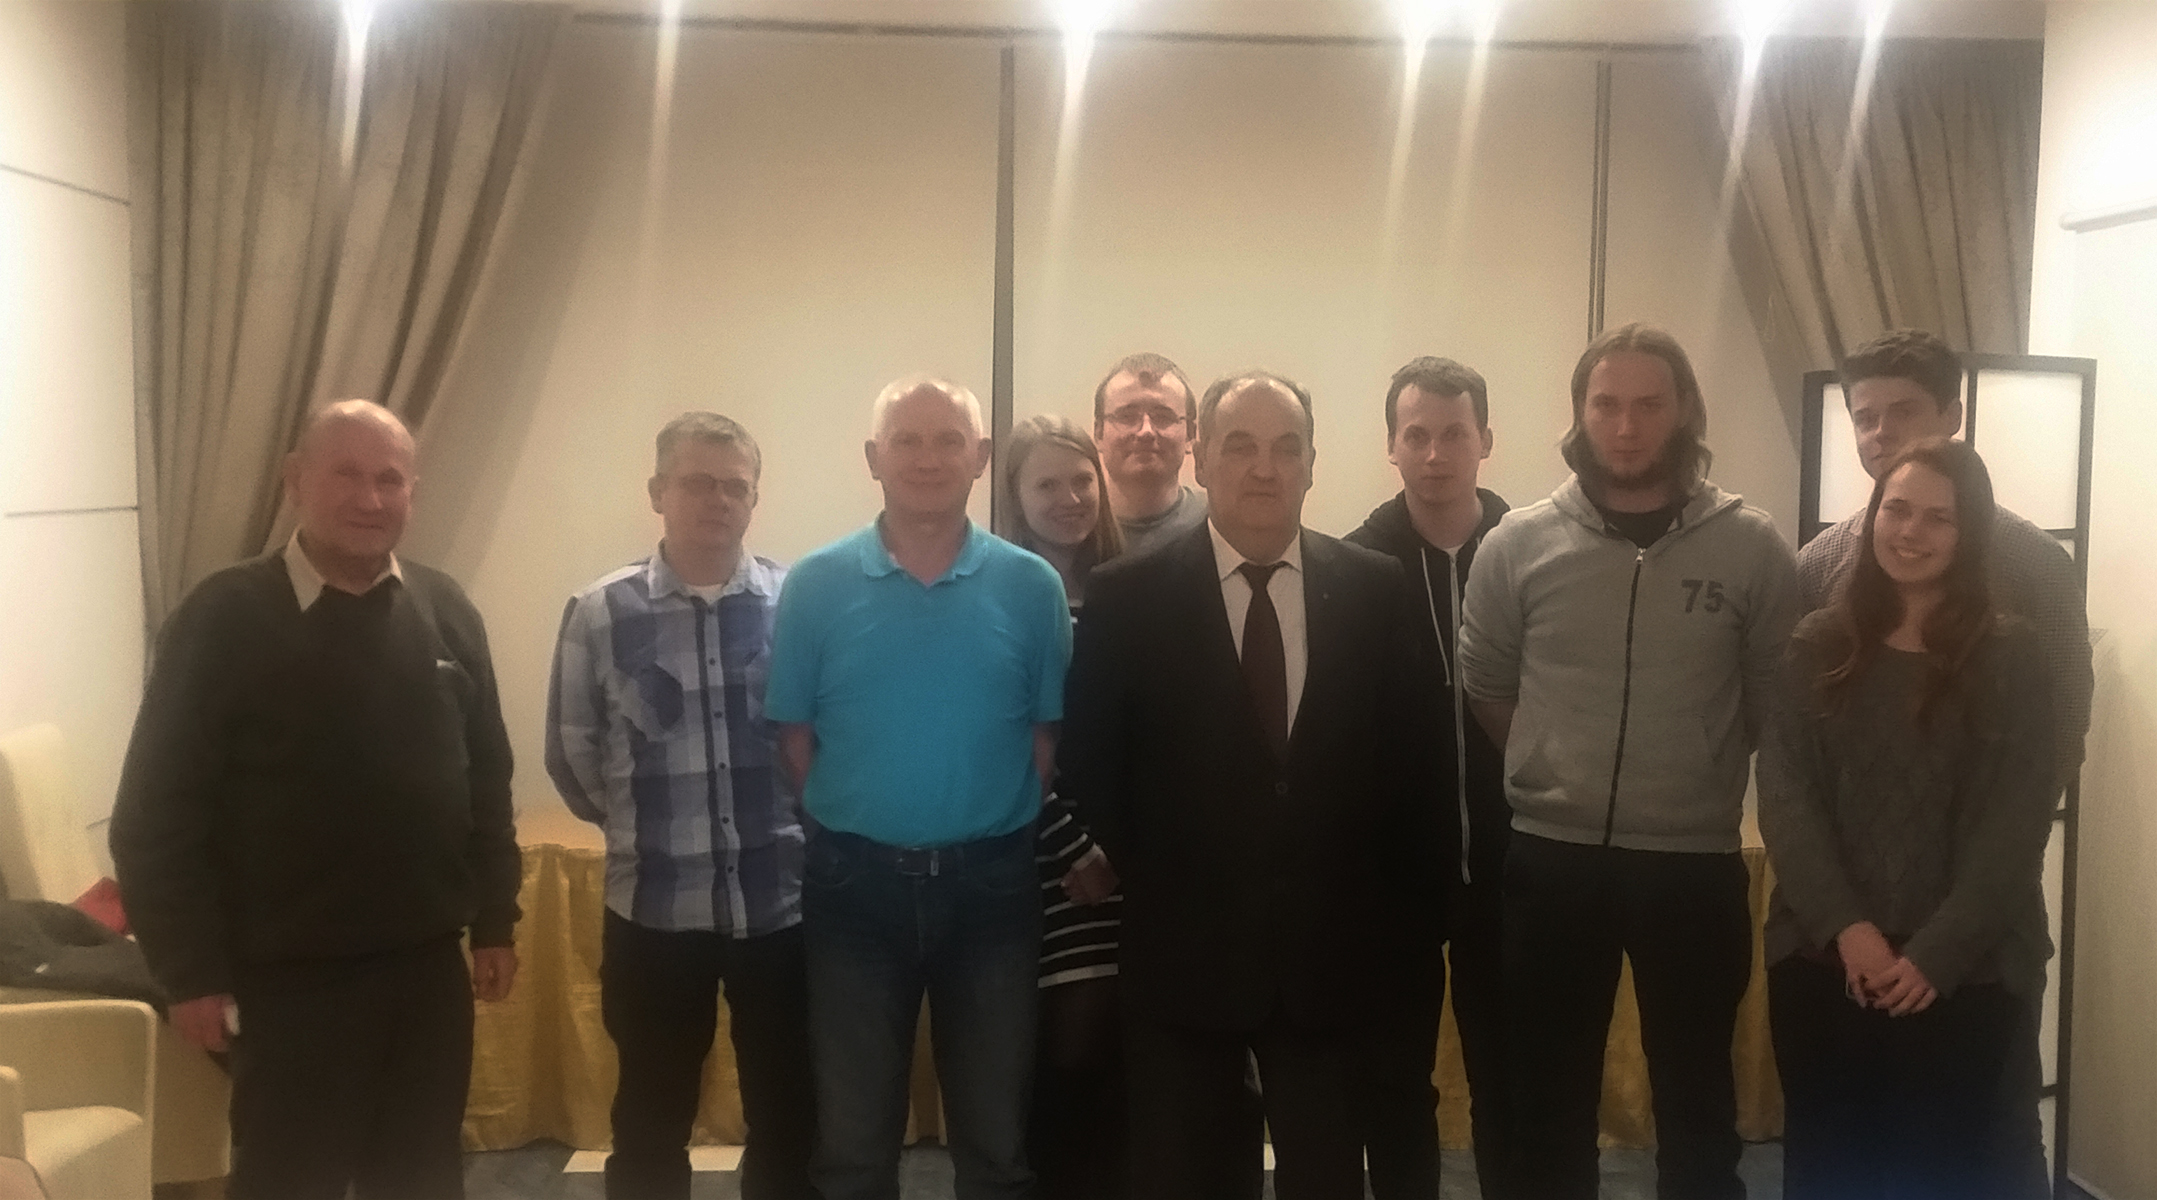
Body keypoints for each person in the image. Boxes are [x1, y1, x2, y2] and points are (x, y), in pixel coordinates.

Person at [111, 399, 521, 1200]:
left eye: (389, 480)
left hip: (425, 973)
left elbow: (486, 778)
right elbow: (155, 815)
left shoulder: (445, 609)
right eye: (347, 475)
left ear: (412, 493)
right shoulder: (221, 617)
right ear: (295, 480)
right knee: (288, 1183)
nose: (370, 498)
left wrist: (496, 920)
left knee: (422, 1180)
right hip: (287, 985)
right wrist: (188, 971)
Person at [1060, 370, 1443, 1200]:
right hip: (1181, 960)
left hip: (1329, 964)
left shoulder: (1373, 589)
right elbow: (1093, 761)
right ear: (1200, 460)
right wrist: (1161, 875)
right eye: (1240, 447)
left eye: (1285, 448)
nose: (1264, 468)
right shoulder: (1128, 597)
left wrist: (1392, 924)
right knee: (1183, 1180)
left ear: (1311, 464)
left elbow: (1411, 765)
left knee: (1327, 1180)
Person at [1459, 324, 1797, 1200]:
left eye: (1648, 404)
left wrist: (1689, 763)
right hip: (1551, 861)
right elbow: (1488, 686)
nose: (1624, 425)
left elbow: (1771, 697)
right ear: (1578, 413)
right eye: (1605, 404)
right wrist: (1553, 764)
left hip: (1692, 865)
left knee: (1697, 1103)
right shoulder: (1517, 545)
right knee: (1547, 1102)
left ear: (1684, 411)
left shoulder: (1751, 546)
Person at [1799, 328, 2092, 1198]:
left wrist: (1959, 913)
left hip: (1982, 921)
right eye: (1863, 416)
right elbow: (1796, 751)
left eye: (1902, 412)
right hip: (1849, 923)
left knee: (1992, 1137)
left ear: (1953, 417)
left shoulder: (2031, 564)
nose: (1879, 433)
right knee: (1848, 1141)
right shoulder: (1820, 563)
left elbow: (2058, 740)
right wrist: (1847, 914)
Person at [766, 377, 1071, 1200]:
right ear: (873, 459)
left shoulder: (1031, 588)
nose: (927, 458)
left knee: (997, 1142)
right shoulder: (815, 584)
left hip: (993, 890)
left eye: (948, 441)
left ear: (980, 457)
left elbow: (1044, 735)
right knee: (853, 1144)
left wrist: (976, 816)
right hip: (853, 892)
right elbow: (794, 736)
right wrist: (870, 816)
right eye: (907, 440)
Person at [1761, 438, 2055, 1199]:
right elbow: (1786, 796)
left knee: (1942, 1175)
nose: (1910, 531)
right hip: (1826, 963)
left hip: (1963, 973)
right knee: (1826, 1170)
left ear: (1970, 533)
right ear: (1872, 517)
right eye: (1896, 509)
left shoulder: (2012, 657)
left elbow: (2016, 822)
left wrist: (1935, 953)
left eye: (1938, 517)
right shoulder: (1815, 645)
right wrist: (1848, 929)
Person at [546, 413, 814, 1200]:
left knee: (791, 1115)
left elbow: (825, 740)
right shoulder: (599, 611)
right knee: (649, 1118)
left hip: (780, 905)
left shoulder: (795, 604)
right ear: (658, 491)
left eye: (735, 486)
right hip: (654, 911)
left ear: (754, 499)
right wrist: (647, 831)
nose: (717, 500)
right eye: (698, 482)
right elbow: (572, 753)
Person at [1345, 356, 1513, 1200]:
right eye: (1416, 434)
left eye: (1454, 433)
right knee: (1393, 1087)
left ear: (1486, 439)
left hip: (1514, 871)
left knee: (1511, 1082)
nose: (1436, 452)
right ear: (1391, 445)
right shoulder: (1349, 568)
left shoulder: (1534, 550)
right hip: (1389, 883)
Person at [994, 414, 1130, 1200]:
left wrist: (1120, 847)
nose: (1069, 497)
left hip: (1125, 858)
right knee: (1064, 1055)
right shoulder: (998, 596)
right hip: (1044, 860)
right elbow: (1001, 739)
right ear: (1012, 495)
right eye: (1046, 483)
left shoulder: (1129, 588)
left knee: (1122, 1057)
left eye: (1082, 479)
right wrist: (1075, 847)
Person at [1093, 352, 1209, 555]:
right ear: (1099, 433)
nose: (1146, 431)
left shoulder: (1219, 524)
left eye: (1163, 417)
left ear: (1190, 435)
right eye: (1127, 416)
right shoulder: (1070, 529)